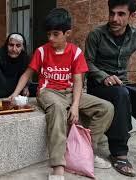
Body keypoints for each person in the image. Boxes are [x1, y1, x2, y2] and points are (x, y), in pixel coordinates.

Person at [10, 8, 114, 180]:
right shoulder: (42, 51)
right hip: (48, 92)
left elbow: (78, 81)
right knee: (58, 109)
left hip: (69, 93)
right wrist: (14, 94)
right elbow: (27, 74)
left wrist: (74, 105)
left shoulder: (76, 52)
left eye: (56, 34)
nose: (50, 38)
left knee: (106, 108)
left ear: (67, 33)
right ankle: (58, 165)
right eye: (48, 34)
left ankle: (86, 152)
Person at [85, 0, 136, 177]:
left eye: (121, 14)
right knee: (121, 94)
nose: (114, 18)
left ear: (132, 16)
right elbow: (86, 63)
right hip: (99, 86)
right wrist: (104, 76)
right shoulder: (96, 35)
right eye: (112, 13)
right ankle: (119, 152)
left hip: (122, 85)